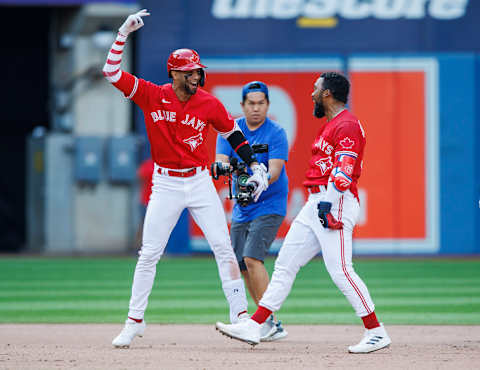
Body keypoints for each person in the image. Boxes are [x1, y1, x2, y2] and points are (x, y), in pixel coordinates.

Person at [102, 9, 269, 348]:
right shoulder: (151, 94)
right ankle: (135, 320)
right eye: (191, 71)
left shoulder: (208, 103)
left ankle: (240, 317)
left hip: (198, 182)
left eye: (198, 71)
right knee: (149, 254)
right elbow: (110, 72)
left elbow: (233, 132)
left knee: (223, 248)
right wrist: (122, 34)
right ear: (174, 73)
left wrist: (254, 164)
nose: (197, 76)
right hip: (165, 183)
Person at [215, 72, 392, 353]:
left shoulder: (347, 125)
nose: (312, 94)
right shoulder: (332, 125)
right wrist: (319, 204)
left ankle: (375, 330)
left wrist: (327, 204)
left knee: (341, 270)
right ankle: (258, 324)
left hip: (335, 200)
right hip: (316, 201)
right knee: (285, 263)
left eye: (315, 89)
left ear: (327, 94)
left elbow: (344, 171)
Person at [215, 81, 289, 342]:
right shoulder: (231, 131)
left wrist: (259, 179)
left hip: (269, 203)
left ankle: (270, 321)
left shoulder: (276, 132)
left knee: (253, 258)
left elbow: (276, 171)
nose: (256, 108)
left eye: (261, 103)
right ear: (243, 106)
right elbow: (221, 161)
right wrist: (221, 167)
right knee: (242, 264)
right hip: (243, 206)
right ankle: (265, 320)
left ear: (267, 105)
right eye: (251, 103)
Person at [133, 157, 154, 251]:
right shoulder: (148, 164)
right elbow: (139, 176)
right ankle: (137, 248)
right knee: (143, 225)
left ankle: (151, 248)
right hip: (146, 201)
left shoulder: (161, 165)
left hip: (155, 202)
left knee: (154, 226)